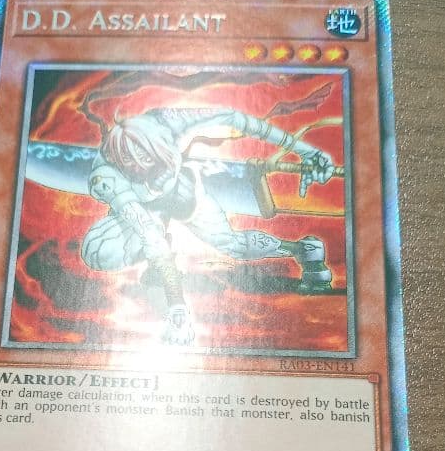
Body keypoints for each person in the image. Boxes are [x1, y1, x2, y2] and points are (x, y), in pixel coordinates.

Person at [81, 106, 336, 345]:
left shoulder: (168, 122)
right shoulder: (106, 177)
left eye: (143, 155)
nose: (137, 164)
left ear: (158, 142)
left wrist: (307, 151)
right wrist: (178, 311)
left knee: (235, 246)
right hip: (143, 209)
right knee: (99, 250)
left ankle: (303, 249)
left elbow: (235, 118)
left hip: (185, 195)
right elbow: (148, 232)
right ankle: (158, 268)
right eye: (128, 159)